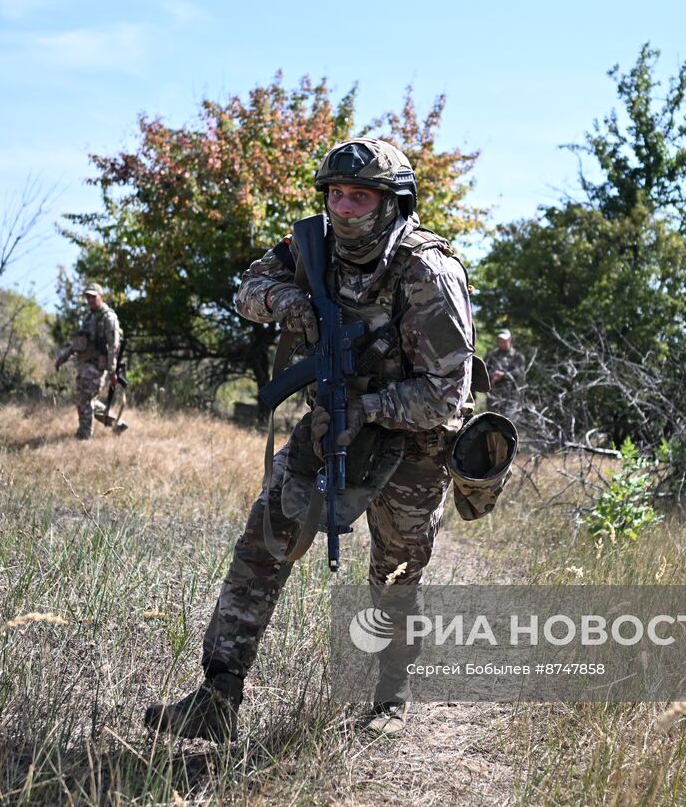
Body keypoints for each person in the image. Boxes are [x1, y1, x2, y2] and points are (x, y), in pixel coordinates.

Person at [143, 137, 475, 741]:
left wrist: (368, 407)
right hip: (328, 422)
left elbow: (446, 395)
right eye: (336, 194)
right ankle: (218, 696)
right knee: (263, 543)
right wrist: (294, 301)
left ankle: (391, 696)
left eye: (361, 196)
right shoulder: (312, 246)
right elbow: (247, 291)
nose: (344, 208)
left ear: (394, 203)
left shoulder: (428, 273)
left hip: (414, 442)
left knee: (395, 571)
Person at [55, 284, 127, 438]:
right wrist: (63, 357)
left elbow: (114, 346)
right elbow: (78, 343)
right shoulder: (89, 317)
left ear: (101, 297)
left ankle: (84, 435)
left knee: (84, 400)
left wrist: (113, 371)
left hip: (97, 365)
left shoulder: (108, 317)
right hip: (85, 364)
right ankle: (117, 423)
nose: (90, 300)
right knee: (87, 399)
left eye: (93, 297)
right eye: (88, 297)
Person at [484, 329, 526, 410]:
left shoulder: (517, 356)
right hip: (493, 395)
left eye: (504, 340)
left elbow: (520, 372)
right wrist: (493, 376)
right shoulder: (491, 355)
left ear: (509, 340)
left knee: (508, 421)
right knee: (491, 420)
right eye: (500, 340)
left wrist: (503, 375)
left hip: (511, 397)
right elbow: (483, 370)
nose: (502, 343)